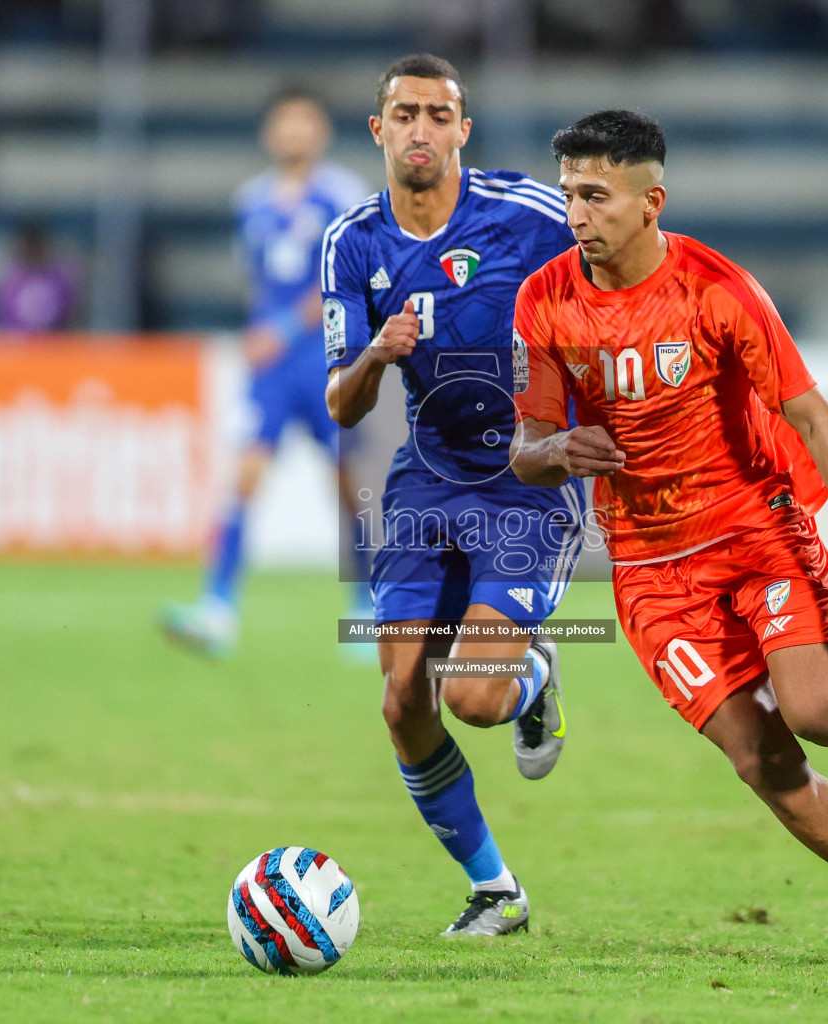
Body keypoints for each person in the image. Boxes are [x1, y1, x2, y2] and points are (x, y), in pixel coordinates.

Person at [510, 110, 828, 972]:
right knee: (763, 761)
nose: (577, 214)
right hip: (650, 574)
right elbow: (526, 447)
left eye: (595, 196)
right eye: (568, 196)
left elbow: (814, 417)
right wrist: (555, 451)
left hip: (754, 530)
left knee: (822, 721)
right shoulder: (544, 299)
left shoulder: (718, 290)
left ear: (650, 201)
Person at [322, 54, 584, 937]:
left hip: (527, 478)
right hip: (424, 480)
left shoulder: (529, 217)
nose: (422, 130)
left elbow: (630, 267)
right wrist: (375, 356)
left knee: (473, 696)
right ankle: (495, 892)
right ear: (379, 129)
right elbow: (342, 404)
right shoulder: (353, 243)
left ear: (463, 130)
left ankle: (533, 677)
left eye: (440, 115)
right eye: (406, 115)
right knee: (402, 701)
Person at [161, 87, 372, 657]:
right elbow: (259, 279)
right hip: (273, 369)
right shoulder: (251, 201)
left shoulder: (342, 195)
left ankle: (368, 609)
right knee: (245, 477)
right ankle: (217, 608)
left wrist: (280, 327)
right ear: (269, 134)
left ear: (321, 133)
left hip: (328, 360)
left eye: (304, 123)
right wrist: (264, 329)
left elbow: (342, 277)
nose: (293, 133)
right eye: (284, 124)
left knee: (349, 486)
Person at [0, 222, 78, 333]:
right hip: (15, 345)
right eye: (28, 245)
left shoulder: (59, 281)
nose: (31, 250)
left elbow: (68, 320)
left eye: (35, 245)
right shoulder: (8, 280)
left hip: (52, 347)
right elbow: (2, 322)